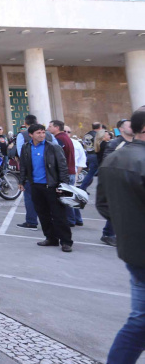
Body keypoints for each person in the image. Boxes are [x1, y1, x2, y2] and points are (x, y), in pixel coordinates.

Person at [97, 106, 145, 364]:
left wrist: (127, 227)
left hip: (131, 251)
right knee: (140, 323)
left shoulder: (113, 158)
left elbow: (103, 204)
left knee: (140, 319)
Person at [18, 124, 72, 252]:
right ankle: (51, 238)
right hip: (35, 186)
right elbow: (24, 166)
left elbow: (63, 167)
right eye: (38, 133)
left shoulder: (53, 147)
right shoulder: (26, 147)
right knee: (43, 214)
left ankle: (66, 242)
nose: (42, 135)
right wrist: (22, 181)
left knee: (59, 215)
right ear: (31, 134)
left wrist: (62, 185)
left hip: (52, 186)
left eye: (43, 132)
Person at [15, 114, 54, 231]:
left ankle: (31, 221)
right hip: (49, 174)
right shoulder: (50, 135)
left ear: (25, 123)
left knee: (30, 198)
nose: (41, 135)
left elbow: (22, 154)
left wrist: (22, 178)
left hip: (32, 174)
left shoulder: (22, 135)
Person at [48, 120, 77, 226]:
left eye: (50, 126)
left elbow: (60, 157)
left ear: (56, 127)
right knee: (69, 196)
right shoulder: (65, 137)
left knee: (65, 197)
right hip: (70, 171)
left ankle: (70, 220)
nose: (48, 128)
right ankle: (76, 218)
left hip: (66, 172)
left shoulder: (60, 139)